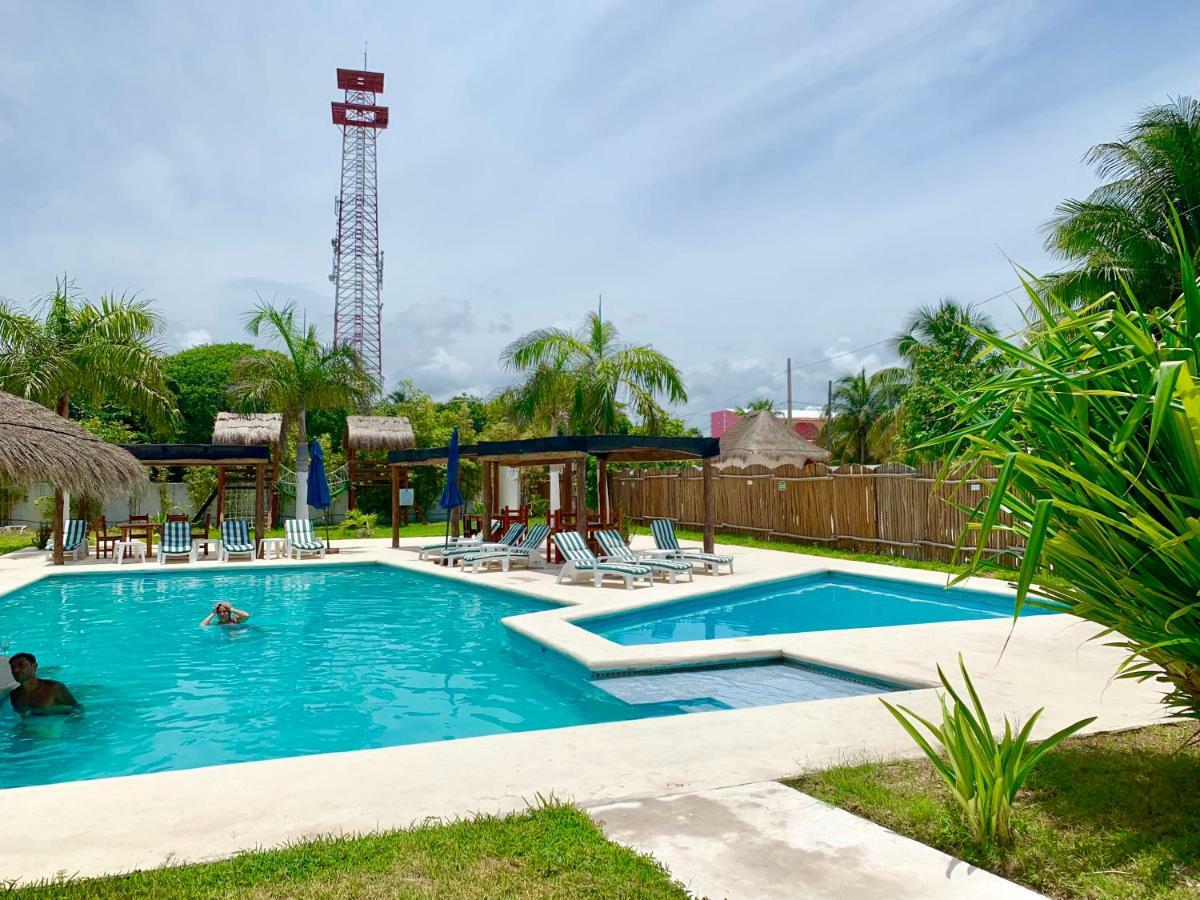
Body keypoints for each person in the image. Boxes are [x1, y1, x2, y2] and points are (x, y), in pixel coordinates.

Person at [8, 652, 80, 714]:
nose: (16, 670)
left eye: (21, 665)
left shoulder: (54, 688)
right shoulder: (15, 695)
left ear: (34, 666)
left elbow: (77, 708)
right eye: (13, 667)